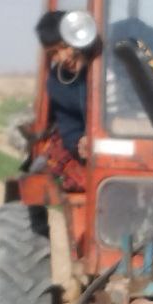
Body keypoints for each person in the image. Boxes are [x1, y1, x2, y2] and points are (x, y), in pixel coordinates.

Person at [35, 10, 94, 191]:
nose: (62, 58)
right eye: (53, 53)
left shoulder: (116, 52)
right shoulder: (58, 84)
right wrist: (79, 143)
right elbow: (69, 128)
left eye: (64, 46)